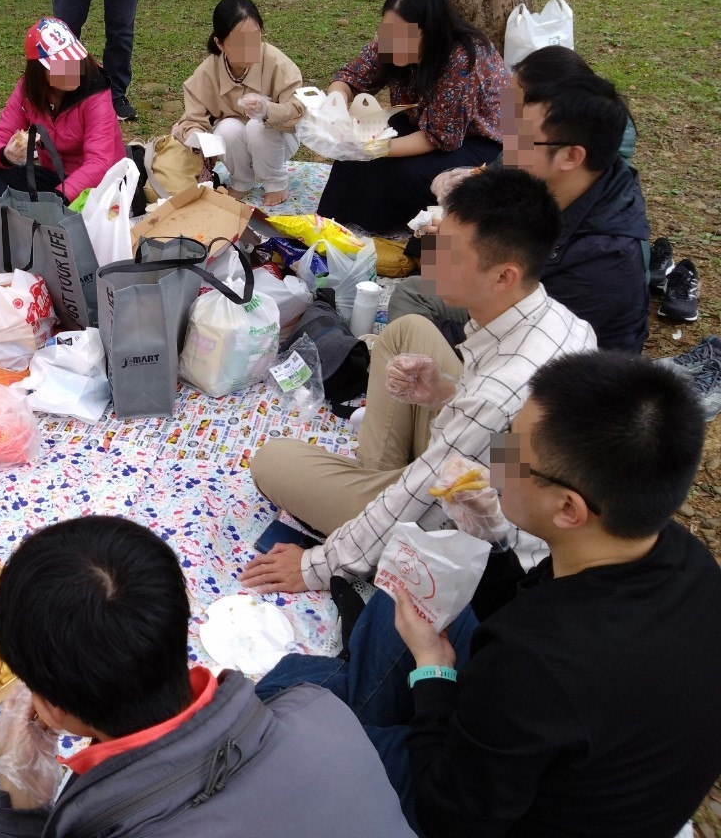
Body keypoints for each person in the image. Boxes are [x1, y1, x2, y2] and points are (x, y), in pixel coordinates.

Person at [255, 351, 721, 836]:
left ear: (568, 508)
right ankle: (347, 701)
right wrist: (495, 543)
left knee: (282, 729)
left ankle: (338, 709)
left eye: (513, 451)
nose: (496, 457)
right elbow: (540, 611)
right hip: (563, 757)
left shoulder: (536, 660)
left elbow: (450, 813)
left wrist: (432, 672)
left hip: (482, 812)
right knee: (406, 592)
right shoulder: (683, 558)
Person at [240, 168, 595, 595]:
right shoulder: (563, 321)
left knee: (273, 460)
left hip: (471, 527)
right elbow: (501, 447)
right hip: (488, 471)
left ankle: (369, 503)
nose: (432, 254)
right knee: (406, 329)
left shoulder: (495, 396)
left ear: (503, 275)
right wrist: (444, 394)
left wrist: (317, 565)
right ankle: (372, 485)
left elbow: (435, 491)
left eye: (451, 252)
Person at [0, 515, 416, 837]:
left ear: (52, 710)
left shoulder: (98, 826)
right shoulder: (323, 711)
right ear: (182, 617)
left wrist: (20, 808)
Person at [390, 46, 651, 353]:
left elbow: (521, 352)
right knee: (415, 294)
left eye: (522, 134)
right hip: (511, 312)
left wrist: (428, 336)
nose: (507, 141)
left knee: (408, 336)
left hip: (542, 375)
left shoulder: (603, 261)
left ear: (571, 155)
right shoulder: (563, 184)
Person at [316, 0, 508, 233]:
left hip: (478, 140)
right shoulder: (389, 40)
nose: (392, 42)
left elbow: (441, 137)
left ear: (430, 32)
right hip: (419, 119)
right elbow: (350, 78)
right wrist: (335, 103)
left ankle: (403, 224)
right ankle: (331, 221)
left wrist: (375, 148)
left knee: (407, 173)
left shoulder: (462, 59)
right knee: (352, 152)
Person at [0, 18, 125, 206]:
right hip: (54, 179)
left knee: (64, 205)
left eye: (75, 60)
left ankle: (34, 216)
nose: (73, 70)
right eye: (60, 65)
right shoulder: (28, 90)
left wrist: (57, 199)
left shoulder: (96, 90)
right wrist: (6, 155)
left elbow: (99, 162)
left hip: (98, 186)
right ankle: (21, 216)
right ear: (39, 70)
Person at [173, 0, 305, 207]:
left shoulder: (277, 63)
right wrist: (199, 138)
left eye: (255, 38)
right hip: (235, 146)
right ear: (220, 43)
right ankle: (241, 181)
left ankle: (275, 182)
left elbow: (300, 111)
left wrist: (267, 110)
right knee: (225, 128)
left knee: (256, 126)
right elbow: (191, 120)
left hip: (278, 140)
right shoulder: (207, 72)